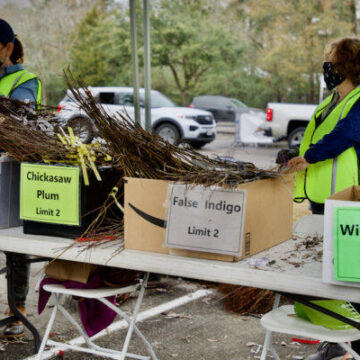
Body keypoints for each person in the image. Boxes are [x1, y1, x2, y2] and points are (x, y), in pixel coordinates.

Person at [282, 37, 360, 360]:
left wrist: (311, 156)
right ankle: (338, 341)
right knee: (329, 275)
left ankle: (351, 344)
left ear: (347, 67)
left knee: (349, 274)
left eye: (332, 62)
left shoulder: (358, 101)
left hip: (347, 202)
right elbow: (317, 135)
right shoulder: (333, 100)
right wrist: (293, 155)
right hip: (323, 200)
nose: (327, 67)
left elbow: (344, 136)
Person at [0, 19, 42, 339]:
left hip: (10, 171)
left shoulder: (25, 82)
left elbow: (17, 123)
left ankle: (17, 310)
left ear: (8, 48)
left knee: (13, 244)